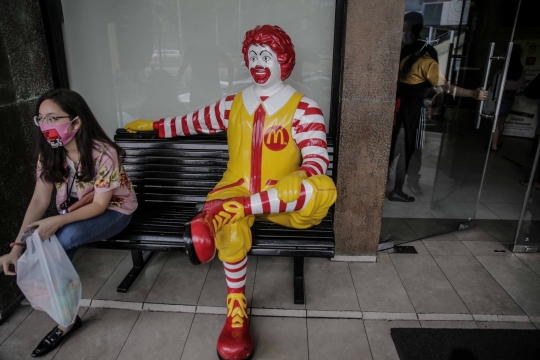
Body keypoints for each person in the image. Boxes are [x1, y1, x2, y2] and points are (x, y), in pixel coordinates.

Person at [125, 25, 337, 360]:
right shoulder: (234, 103)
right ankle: (235, 309)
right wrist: (154, 126)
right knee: (232, 230)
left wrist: (302, 173)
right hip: (235, 187)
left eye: (265, 55)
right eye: (252, 56)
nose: (257, 62)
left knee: (321, 188)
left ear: (283, 60)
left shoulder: (304, 107)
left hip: (280, 196)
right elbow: (192, 121)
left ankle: (222, 213)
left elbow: (317, 159)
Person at [0, 88, 138, 358]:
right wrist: (17, 246)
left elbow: (100, 205)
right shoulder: (50, 153)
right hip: (75, 211)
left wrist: (54, 223)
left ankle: (65, 320)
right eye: (40, 119)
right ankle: (64, 302)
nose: (45, 126)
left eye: (53, 118)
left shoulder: (103, 153)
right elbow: (40, 200)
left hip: (116, 210)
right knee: (47, 244)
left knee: (61, 240)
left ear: (76, 122)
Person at [389, 22, 488, 202]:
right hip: (412, 111)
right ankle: (397, 189)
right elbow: (447, 88)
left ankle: (378, 184)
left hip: (398, 108)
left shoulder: (405, 59)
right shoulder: (428, 63)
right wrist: (472, 93)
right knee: (408, 149)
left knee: (393, 147)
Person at [490, 44, 525, 151]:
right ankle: (498, 142)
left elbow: (494, 85)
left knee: (496, 121)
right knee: (502, 121)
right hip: (511, 95)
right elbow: (521, 85)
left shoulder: (503, 69)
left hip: (502, 95)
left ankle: (494, 146)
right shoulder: (520, 69)